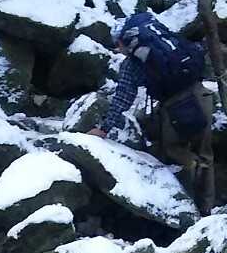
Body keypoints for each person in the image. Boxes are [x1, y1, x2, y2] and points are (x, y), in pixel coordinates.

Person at [88, 12, 213, 193]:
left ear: (123, 42)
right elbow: (198, 53)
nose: (118, 49)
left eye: (117, 45)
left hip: (175, 108)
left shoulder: (131, 65)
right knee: (205, 153)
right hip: (202, 95)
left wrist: (104, 129)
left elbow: (123, 99)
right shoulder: (169, 43)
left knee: (172, 150)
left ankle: (186, 195)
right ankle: (208, 204)